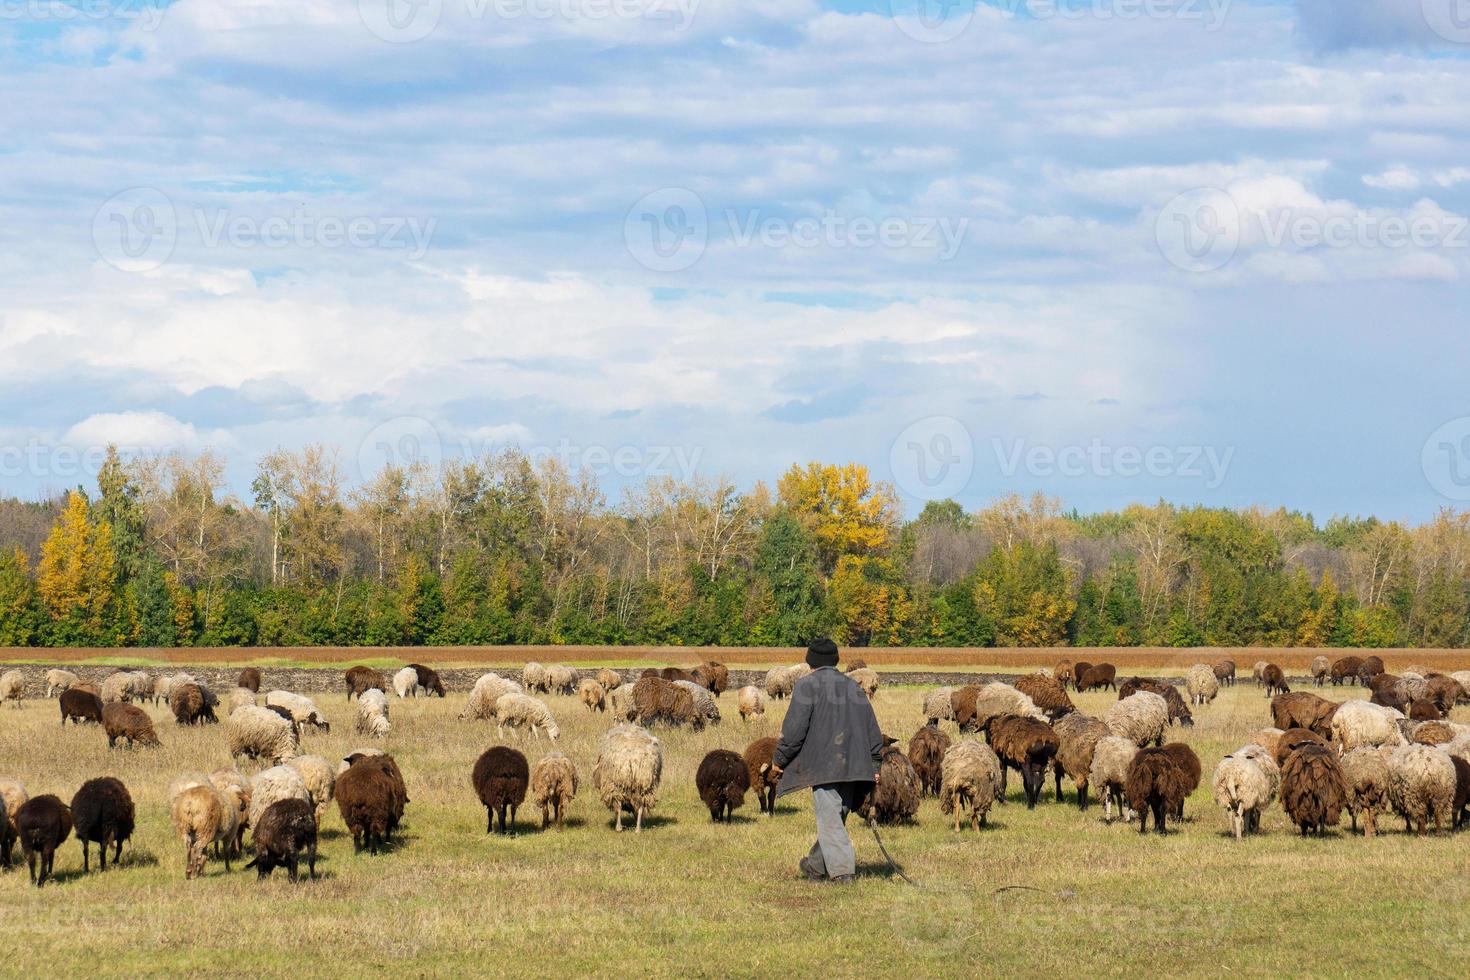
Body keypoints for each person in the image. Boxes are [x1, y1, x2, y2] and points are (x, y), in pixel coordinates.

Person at [768, 638, 886, 883]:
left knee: (830, 819)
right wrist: (875, 765)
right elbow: (872, 730)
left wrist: (779, 760)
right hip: (855, 766)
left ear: (810, 661)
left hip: (824, 766)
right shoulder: (854, 687)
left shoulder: (806, 686)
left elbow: (794, 730)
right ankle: (815, 866)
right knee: (835, 817)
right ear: (835, 661)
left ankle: (843, 873)